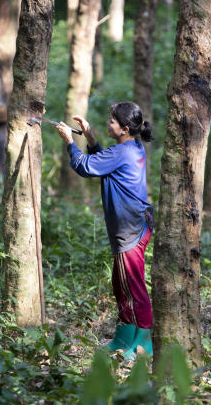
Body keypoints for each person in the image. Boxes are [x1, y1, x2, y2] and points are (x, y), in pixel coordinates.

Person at [54, 102, 154, 360]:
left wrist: (69, 143)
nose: (108, 123)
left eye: (112, 121)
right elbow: (103, 162)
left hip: (131, 228)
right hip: (132, 224)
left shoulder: (122, 152)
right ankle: (123, 337)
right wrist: (88, 136)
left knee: (133, 286)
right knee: (121, 285)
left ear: (123, 128)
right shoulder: (129, 147)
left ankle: (144, 343)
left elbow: (85, 166)